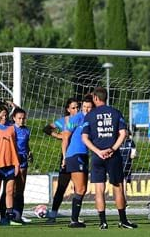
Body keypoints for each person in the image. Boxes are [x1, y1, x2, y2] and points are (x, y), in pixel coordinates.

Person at [81, 87, 137, 230]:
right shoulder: (115, 112)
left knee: (99, 190)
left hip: (97, 157)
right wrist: (112, 148)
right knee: (118, 188)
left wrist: (98, 151)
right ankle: (123, 221)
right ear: (105, 97)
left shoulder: (90, 115)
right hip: (114, 156)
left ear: (95, 98)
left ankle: (103, 222)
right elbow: (123, 133)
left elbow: (84, 137)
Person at [61, 94, 94, 228]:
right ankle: (73, 220)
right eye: (85, 107)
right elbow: (65, 137)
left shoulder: (91, 120)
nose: (86, 109)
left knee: (82, 188)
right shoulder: (77, 118)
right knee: (80, 188)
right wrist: (64, 157)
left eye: (89, 107)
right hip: (75, 155)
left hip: (83, 155)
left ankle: (75, 218)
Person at [46, 98, 79, 223]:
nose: (76, 110)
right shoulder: (64, 121)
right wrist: (59, 136)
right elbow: (47, 129)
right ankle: (53, 214)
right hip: (66, 157)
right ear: (68, 109)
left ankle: (75, 216)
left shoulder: (82, 119)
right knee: (62, 186)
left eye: (77, 107)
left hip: (79, 156)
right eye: (73, 108)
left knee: (79, 188)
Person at [13, 106, 32, 224]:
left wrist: (29, 152)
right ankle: (8, 214)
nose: (21, 120)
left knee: (20, 189)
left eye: (23, 118)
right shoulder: (11, 129)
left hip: (23, 161)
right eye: (19, 118)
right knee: (11, 189)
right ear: (14, 118)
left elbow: (26, 145)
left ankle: (18, 214)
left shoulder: (26, 130)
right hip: (13, 161)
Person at [119, 130, 137, 196]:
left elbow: (133, 153)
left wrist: (134, 154)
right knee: (121, 183)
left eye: (126, 131)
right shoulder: (117, 141)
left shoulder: (131, 142)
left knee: (124, 183)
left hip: (127, 166)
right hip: (118, 165)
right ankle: (123, 201)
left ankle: (124, 201)